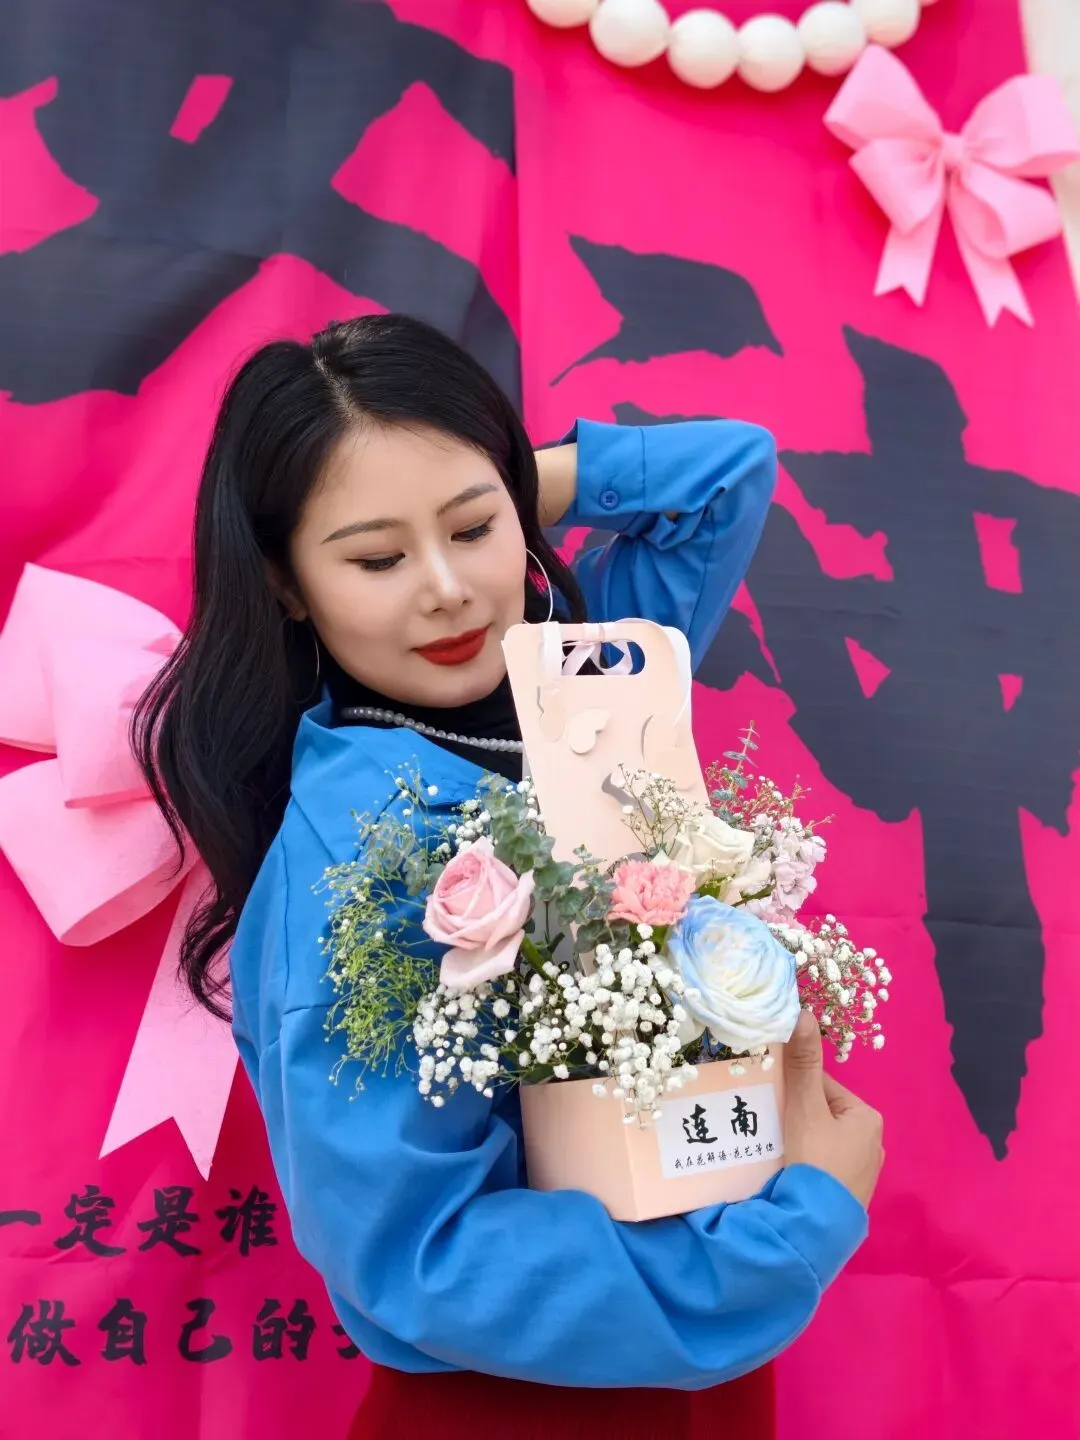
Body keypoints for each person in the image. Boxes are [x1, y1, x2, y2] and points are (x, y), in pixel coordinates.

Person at [136, 314, 883, 1439]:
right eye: (377, 558)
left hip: (705, 1369)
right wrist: (797, 1229)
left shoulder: (592, 689)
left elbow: (726, 475)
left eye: (474, 529)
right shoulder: (352, 857)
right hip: (522, 1405)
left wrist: (486, 476)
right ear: (287, 584)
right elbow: (417, 1253)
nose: (447, 590)